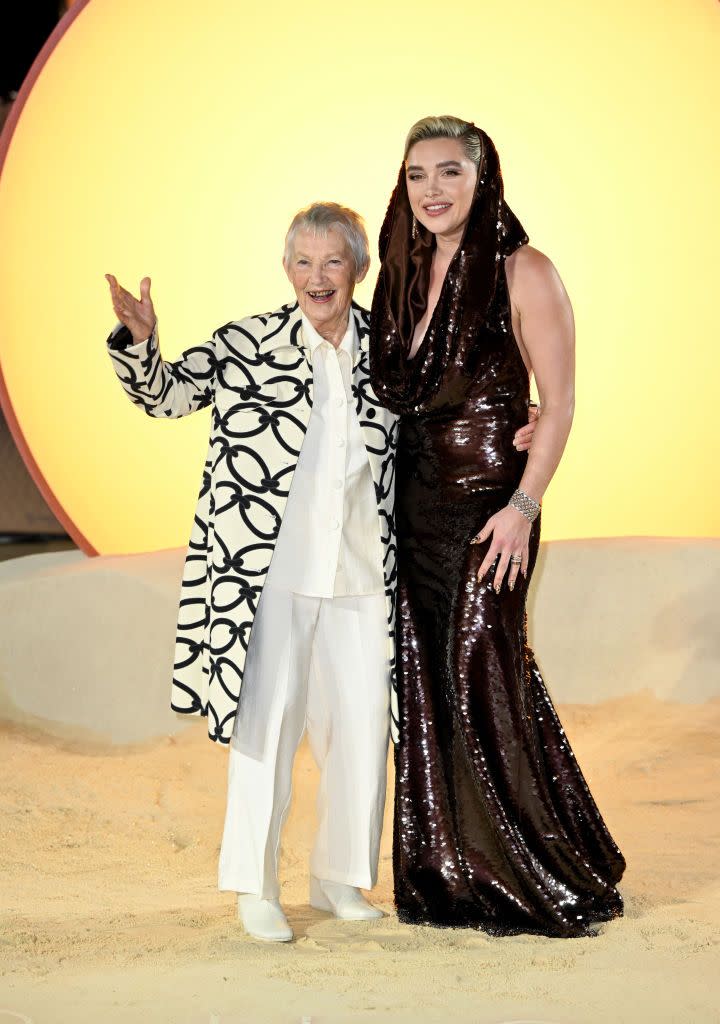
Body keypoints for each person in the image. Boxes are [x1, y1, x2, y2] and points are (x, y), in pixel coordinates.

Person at [105, 201, 537, 943]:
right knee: (264, 731)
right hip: (266, 576)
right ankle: (255, 886)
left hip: (364, 575)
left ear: (359, 269)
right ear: (285, 270)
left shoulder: (391, 351)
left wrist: (513, 418)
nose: (317, 276)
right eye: (302, 261)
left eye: (332, 261)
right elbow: (168, 395)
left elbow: (443, 416)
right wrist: (139, 343)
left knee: (362, 731)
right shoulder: (247, 343)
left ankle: (339, 878)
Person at [369, 116, 626, 938]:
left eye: (449, 171)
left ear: (483, 179)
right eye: (418, 175)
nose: (433, 190)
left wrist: (524, 505)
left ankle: (529, 868)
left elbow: (563, 400)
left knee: (483, 669)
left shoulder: (526, 269)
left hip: (491, 507)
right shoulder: (401, 277)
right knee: (432, 678)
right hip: (413, 510)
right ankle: (451, 868)